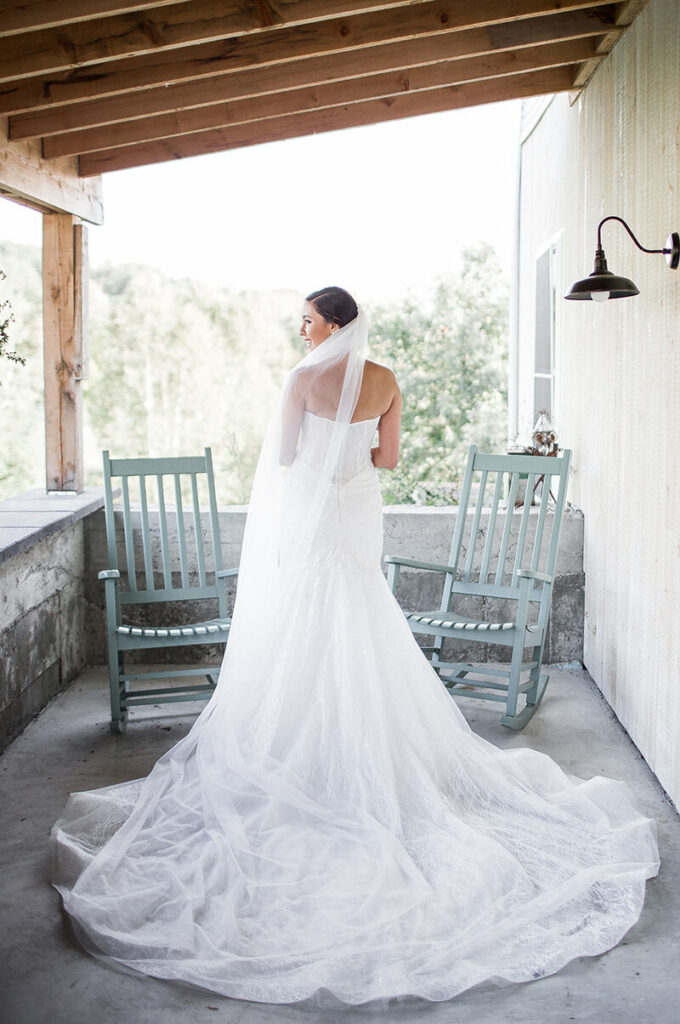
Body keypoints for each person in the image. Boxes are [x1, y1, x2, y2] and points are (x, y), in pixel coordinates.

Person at [51, 287, 659, 1007]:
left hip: (312, 521)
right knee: (361, 615)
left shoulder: (301, 380)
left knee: (305, 627)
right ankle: (367, 749)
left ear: (332, 325)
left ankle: (304, 756)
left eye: (307, 319)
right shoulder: (387, 380)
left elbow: (282, 460)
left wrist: (311, 474)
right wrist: (353, 448)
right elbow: (390, 458)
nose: (300, 328)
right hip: (357, 513)